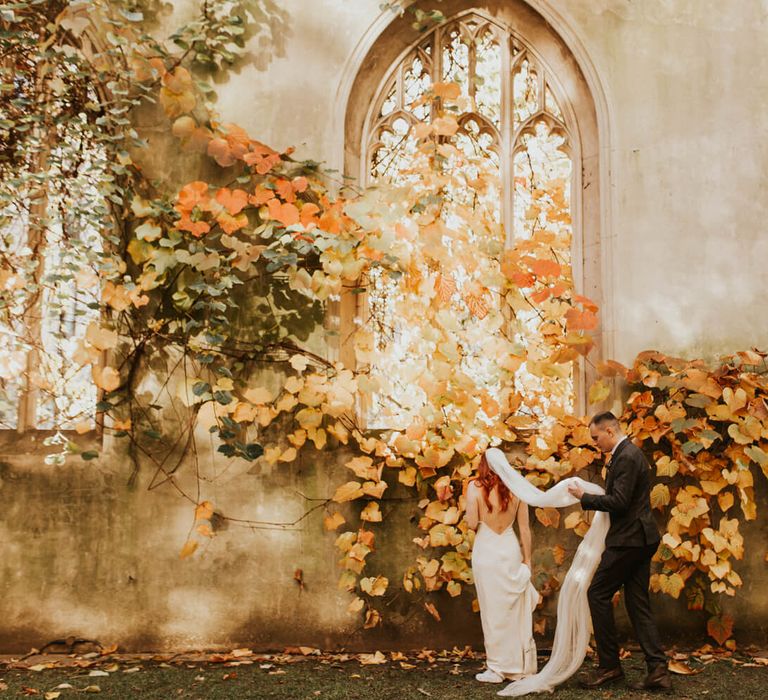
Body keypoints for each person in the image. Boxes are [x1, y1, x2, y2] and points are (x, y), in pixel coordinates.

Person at [567, 411, 671, 691]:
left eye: (596, 437)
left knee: (597, 593)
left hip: (629, 540)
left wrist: (585, 498)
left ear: (610, 432)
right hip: (642, 538)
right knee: (637, 603)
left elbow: (620, 502)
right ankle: (658, 670)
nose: (595, 443)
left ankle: (609, 667)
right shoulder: (628, 453)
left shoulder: (626, 456)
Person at [465, 453, 538, 684]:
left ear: (483, 466)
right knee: (511, 610)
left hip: (486, 550)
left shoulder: (474, 487)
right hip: (509, 549)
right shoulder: (517, 489)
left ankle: (496, 668)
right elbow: (525, 529)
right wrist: (528, 560)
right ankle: (518, 666)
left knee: (492, 612)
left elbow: (470, 523)